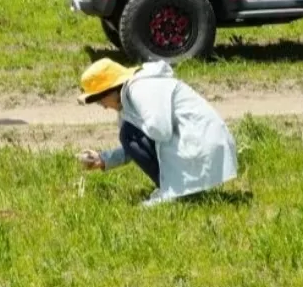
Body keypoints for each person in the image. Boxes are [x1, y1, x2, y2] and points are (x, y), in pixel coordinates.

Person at [78, 58, 237, 206]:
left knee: (128, 133)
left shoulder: (140, 89)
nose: (104, 107)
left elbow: (160, 131)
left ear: (110, 90)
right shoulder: (130, 97)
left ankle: (171, 192)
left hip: (202, 145)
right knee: (129, 132)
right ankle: (175, 188)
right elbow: (138, 144)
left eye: (100, 101)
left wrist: (135, 128)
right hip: (199, 144)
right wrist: (104, 159)